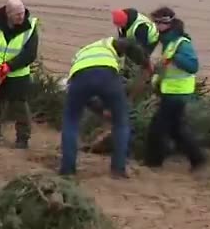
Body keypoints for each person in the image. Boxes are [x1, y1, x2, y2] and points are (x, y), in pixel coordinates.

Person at [59, 36, 148, 178]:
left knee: (71, 122)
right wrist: (145, 63)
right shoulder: (110, 45)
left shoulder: (84, 52)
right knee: (121, 122)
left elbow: (86, 94)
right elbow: (131, 45)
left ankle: (67, 170)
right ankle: (118, 170)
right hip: (108, 77)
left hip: (79, 78)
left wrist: (100, 110)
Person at [144, 14, 206, 171]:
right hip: (170, 91)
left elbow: (193, 66)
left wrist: (175, 58)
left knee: (158, 128)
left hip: (177, 93)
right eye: (154, 22)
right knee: (176, 129)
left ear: (167, 24)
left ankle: (153, 163)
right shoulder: (168, 42)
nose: (155, 26)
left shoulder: (181, 44)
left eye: (158, 23)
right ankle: (197, 159)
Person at [0, 0, 40, 148]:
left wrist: (10, 66)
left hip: (18, 74)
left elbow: (30, 53)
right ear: (8, 14)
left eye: (22, 13)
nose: (21, 17)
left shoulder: (30, 27)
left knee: (19, 106)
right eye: (17, 14)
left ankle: (22, 138)